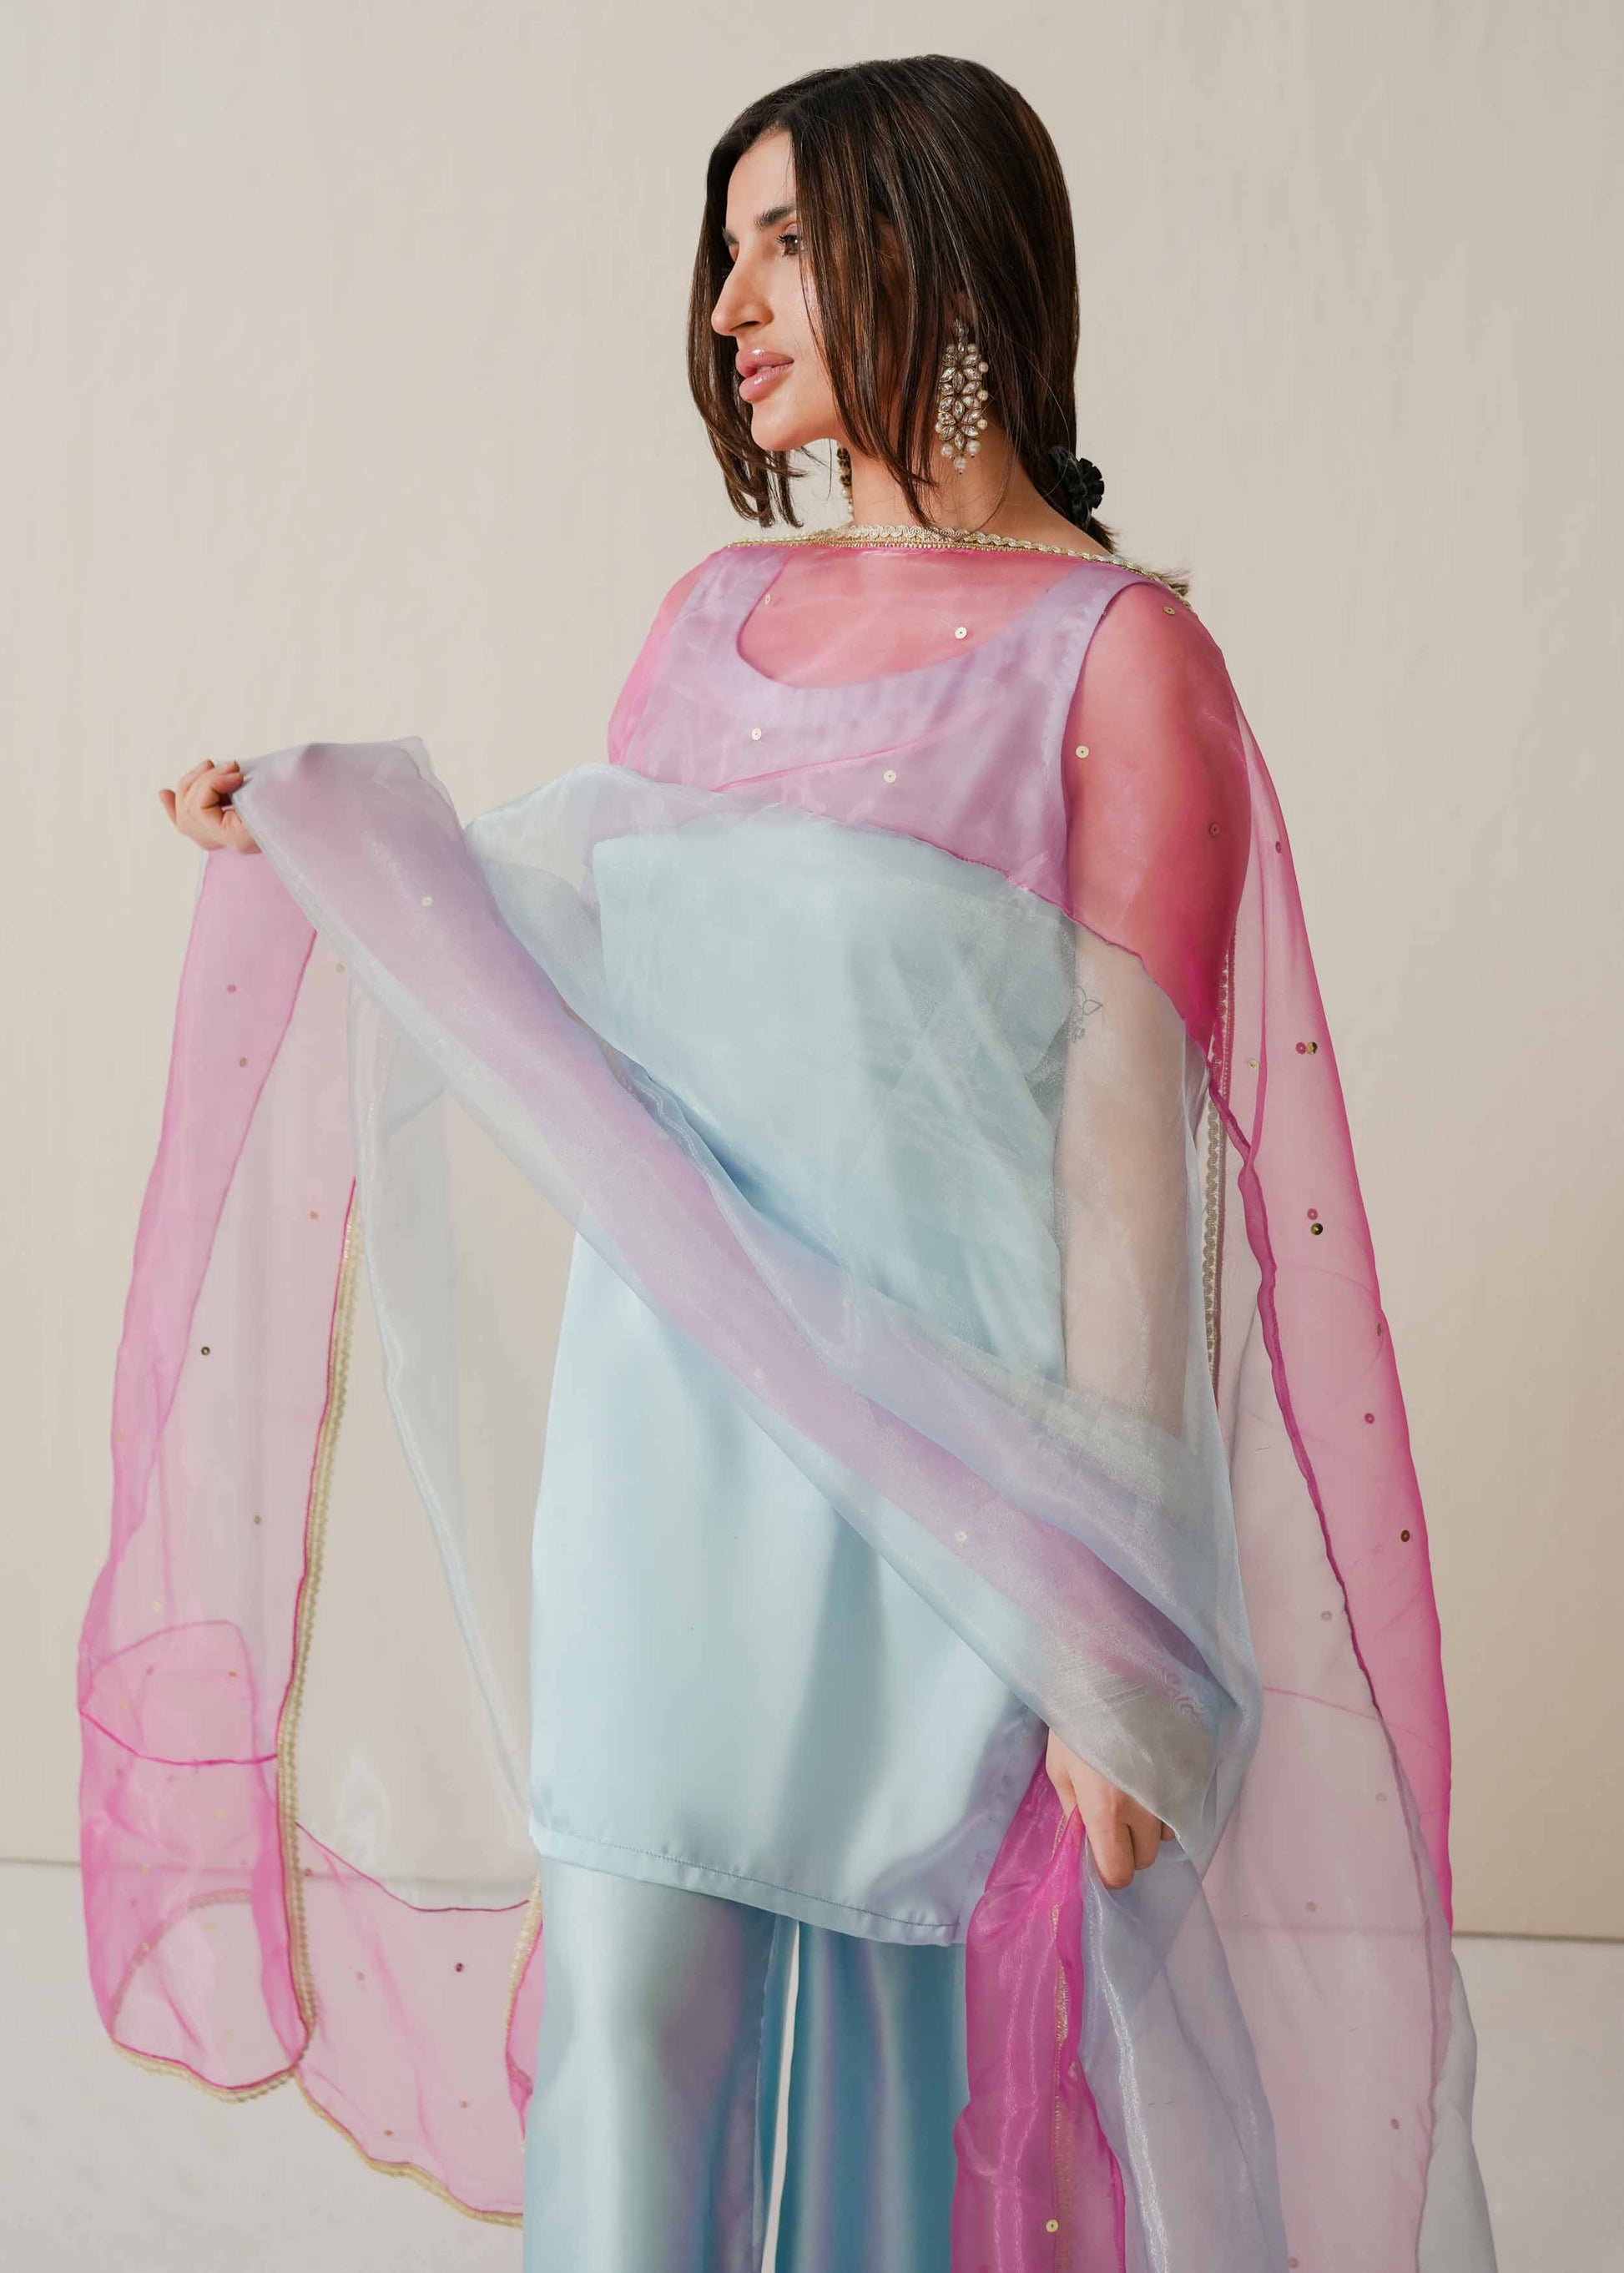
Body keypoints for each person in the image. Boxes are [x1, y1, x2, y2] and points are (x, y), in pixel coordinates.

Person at [97, 53, 1496, 2273]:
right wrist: (323, 834)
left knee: (915, 2050)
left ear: (935, 241)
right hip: (666, 1459)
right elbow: (591, 973)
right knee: (625, 2013)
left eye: (784, 240)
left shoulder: (1126, 667)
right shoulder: (705, 623)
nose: (728, 300)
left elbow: (1125, 1168)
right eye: (721, 246)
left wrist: (1111, 1633)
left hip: (957, 1507)